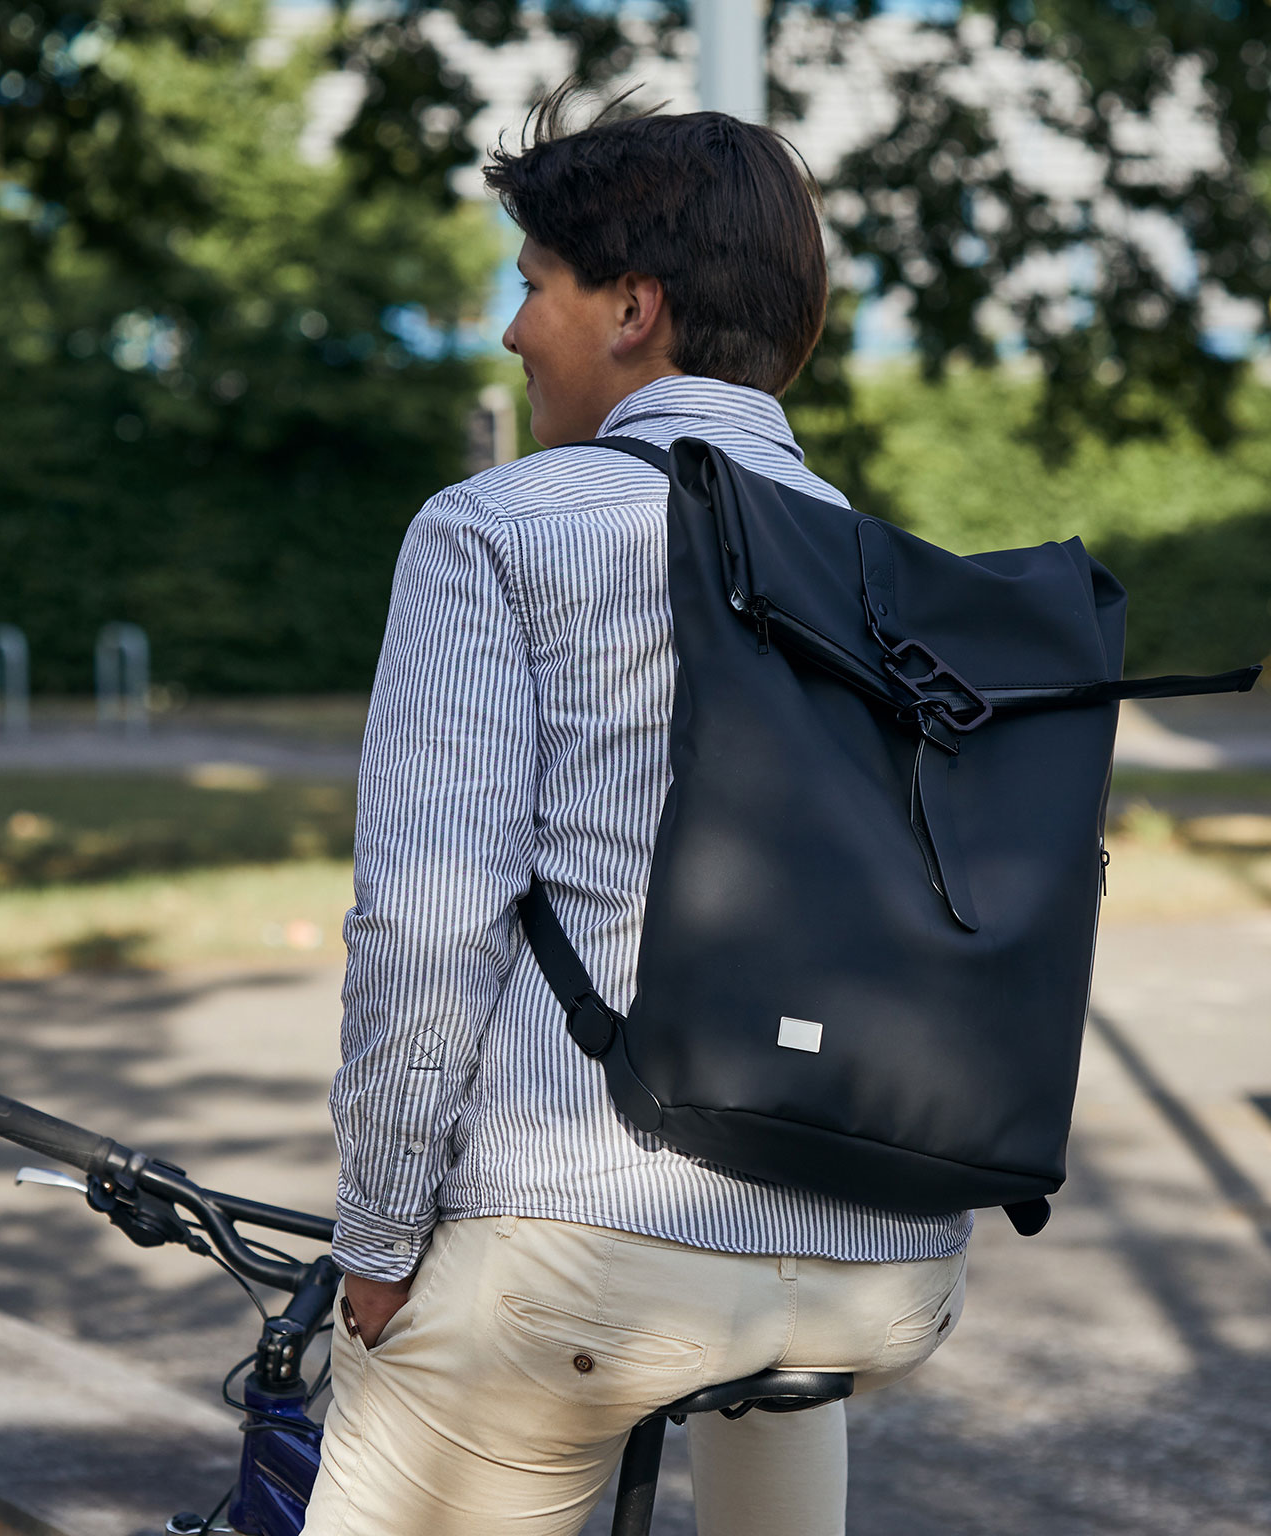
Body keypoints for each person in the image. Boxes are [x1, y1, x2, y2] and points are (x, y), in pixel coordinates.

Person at [302, 91, 972, 1536]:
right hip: (878, 1250)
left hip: (590, 1240)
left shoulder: (495, 527)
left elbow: (425, 922)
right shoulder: (893, 578)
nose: (508, 329)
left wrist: (377, 1238)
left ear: (631, 309)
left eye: (530, 283)